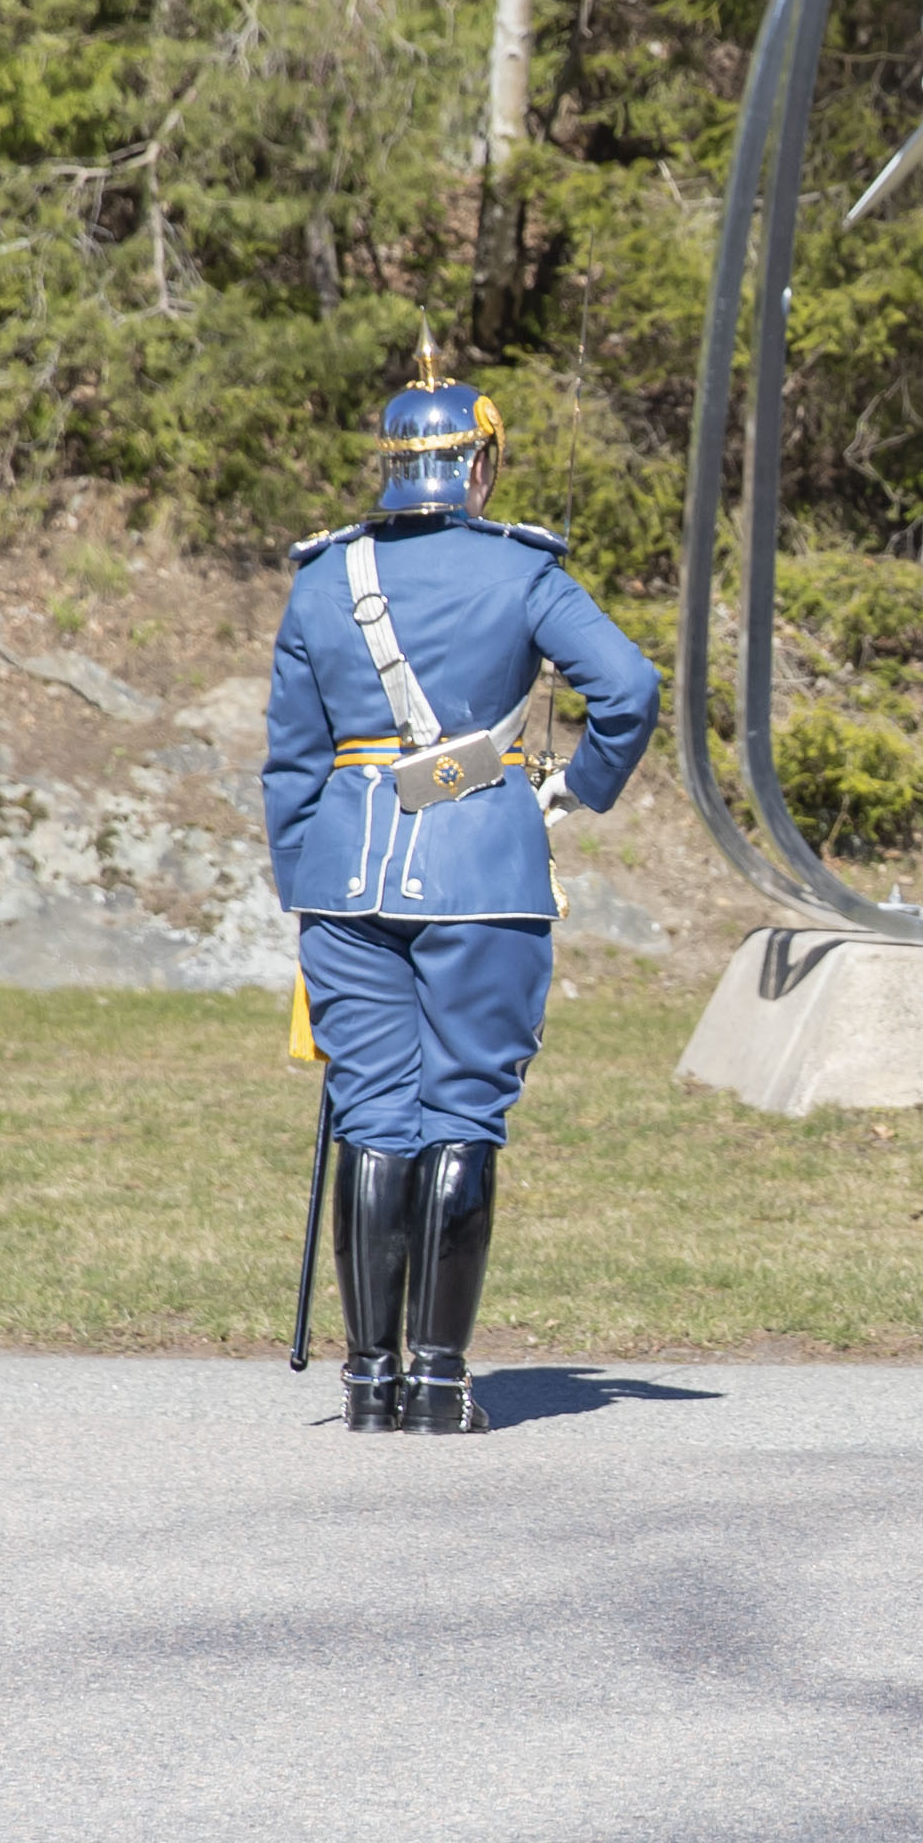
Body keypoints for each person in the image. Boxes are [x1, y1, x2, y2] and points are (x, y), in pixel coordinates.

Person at [261, 337, 659, 1435]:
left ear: (390, 466)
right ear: (476, 467)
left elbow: (292, 762)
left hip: (344, 876)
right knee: (463, 1114)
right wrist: (580, 788)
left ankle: (366, 1383)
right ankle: (440, 1379)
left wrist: (309, 883)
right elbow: (628, 684)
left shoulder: (322, 578)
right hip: (484, 863)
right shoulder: (523, 569)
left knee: (373, 1115)